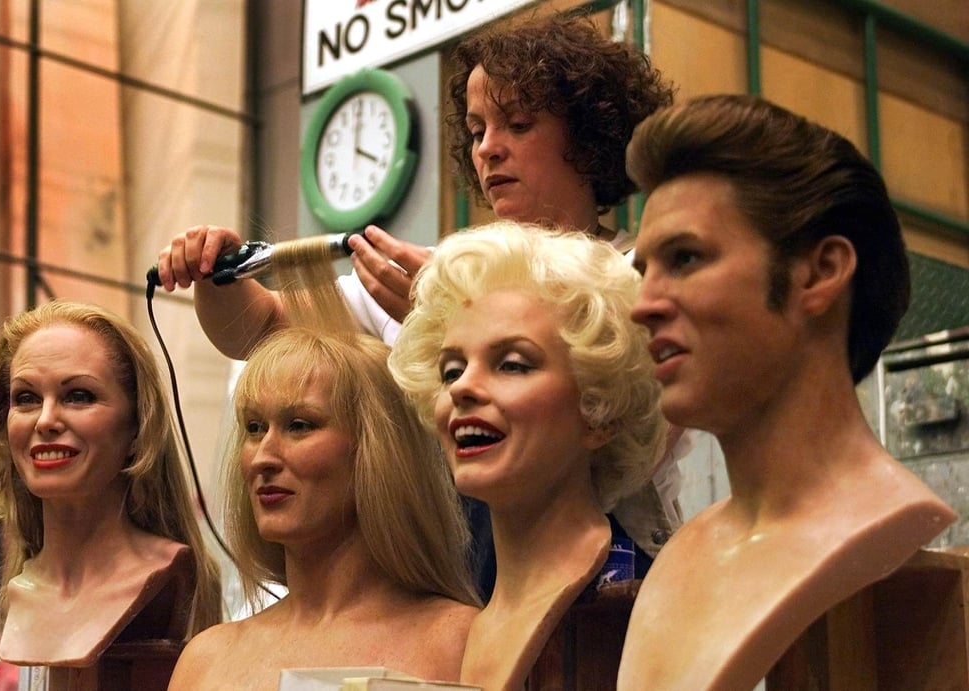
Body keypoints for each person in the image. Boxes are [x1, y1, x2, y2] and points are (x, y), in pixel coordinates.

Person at [155, 13, 685, 590]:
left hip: (605, 578)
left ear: (588, 135)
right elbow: (259, 333)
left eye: (518, 123)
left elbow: (648, 430)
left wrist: (445, 324)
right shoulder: (433, 270)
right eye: (478, 129)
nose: (489, 149)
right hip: (449, 577)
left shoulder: (638, 275)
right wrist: (216, 273)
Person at [617, 94, 957, 690]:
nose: (643, 304)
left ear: (820, 272)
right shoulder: (679, 560)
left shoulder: (879, 538)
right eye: (644, 270)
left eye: (686, 258)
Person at [389, 221, 666, 690]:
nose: (463, 388)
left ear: (599, 411)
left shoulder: (641, 608)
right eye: (450, 369)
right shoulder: (457, 624)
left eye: (513, 364)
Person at [166, 328, 480, 689]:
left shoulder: (462, 644)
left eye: (299, 425)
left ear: (379, 449)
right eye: (254, 428)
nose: (263, 458)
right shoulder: (207, 661)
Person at [0, 300, 222, 669]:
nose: (46, 420)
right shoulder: (19, 588)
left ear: (137, 424)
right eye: (26, 398)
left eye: (79, 396)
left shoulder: (163, 575)